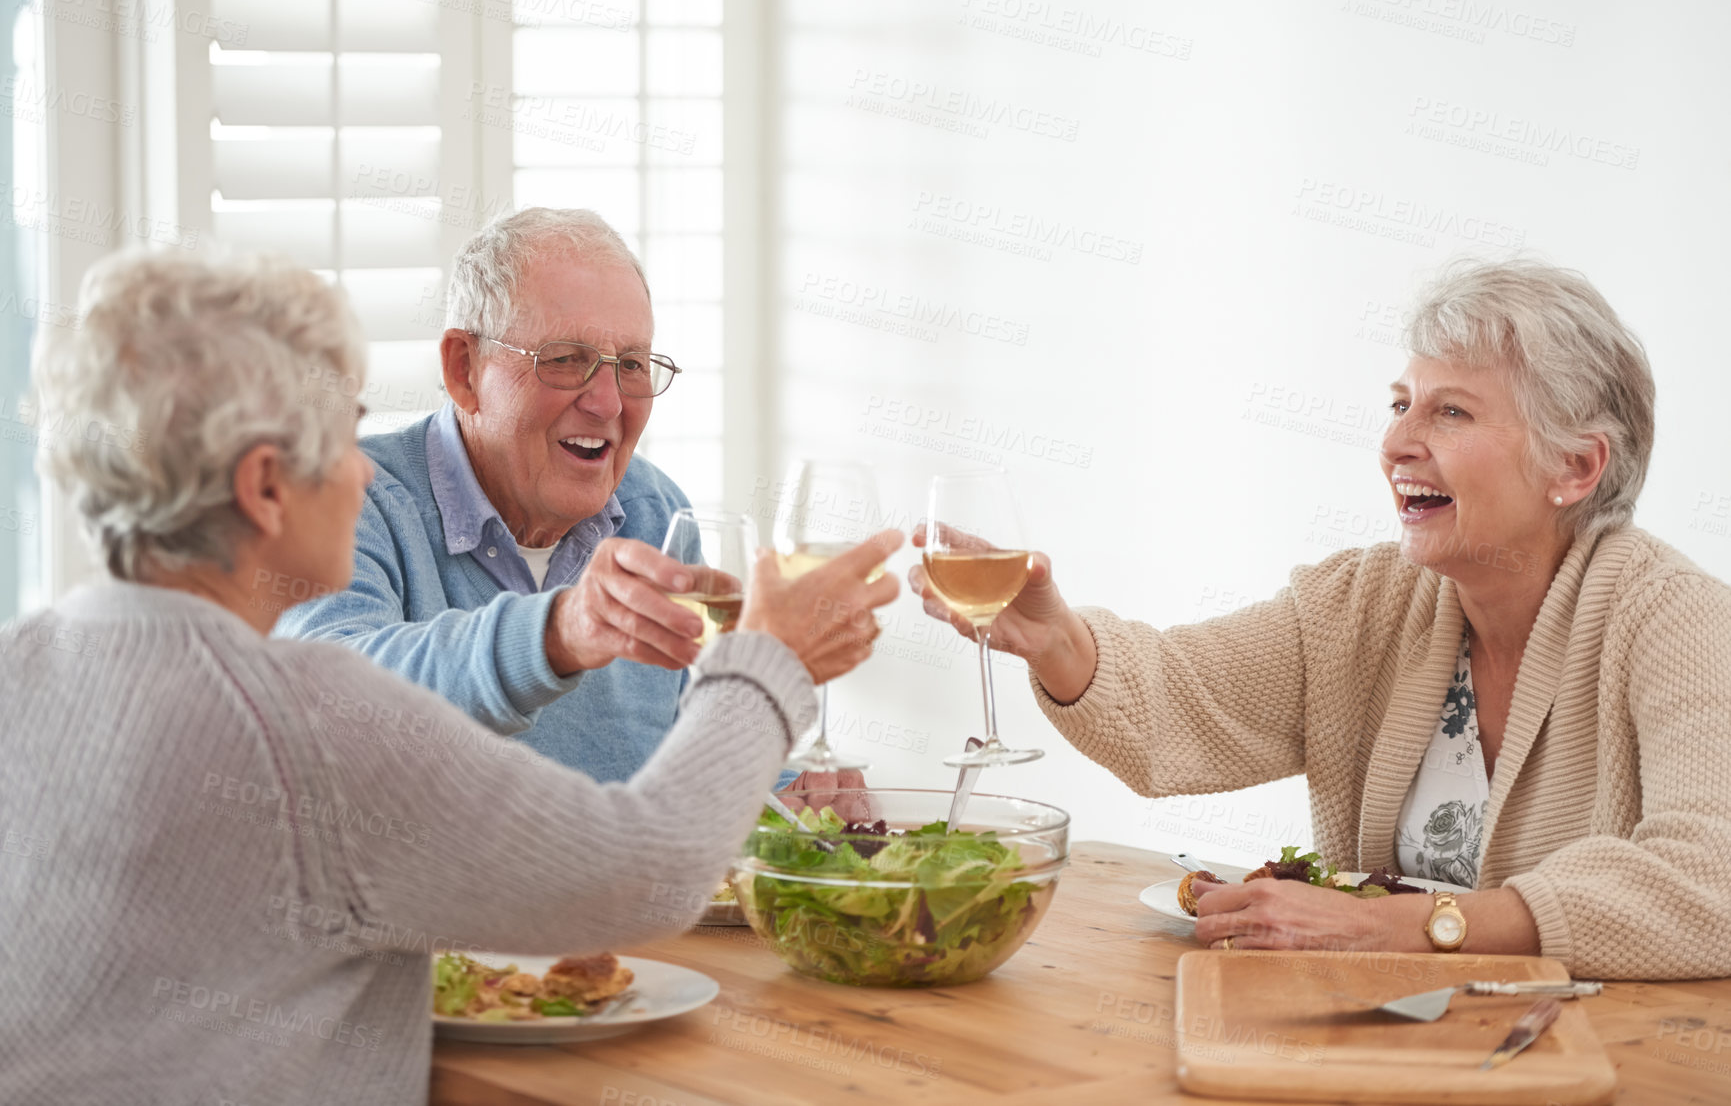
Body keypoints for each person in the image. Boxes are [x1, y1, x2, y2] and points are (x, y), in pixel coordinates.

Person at [0, 248, 900, 1104]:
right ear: (266, 487)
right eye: (344, 436)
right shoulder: (304, 719)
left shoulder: (20, 661)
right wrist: (770, 660)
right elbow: (646, 873)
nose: (364, 469)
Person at [912, 258, 1731, 980]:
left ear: (1576, 465)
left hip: (1604, 1062)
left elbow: (1711, 882)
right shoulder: (1363, 603)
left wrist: (1396, 927)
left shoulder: (1677, 620)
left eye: (1450, 413)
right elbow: (1180, 700)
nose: (1396, 441)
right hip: (1379, 1041)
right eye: (1401, 402)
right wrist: (1056, 640)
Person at [276, 207, 707, 781]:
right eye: (564, 360)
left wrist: (791, 793)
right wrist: (559, 632)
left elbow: (697, 750)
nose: (608, 403)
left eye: (631, 364)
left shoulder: (658, 514)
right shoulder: (353, 499)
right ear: (464, 370)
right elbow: (331, 703)